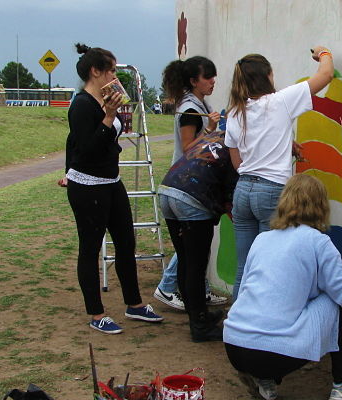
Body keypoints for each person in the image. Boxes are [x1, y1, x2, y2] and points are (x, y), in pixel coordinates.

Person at [223, 174, 342, 400]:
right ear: (321, 206)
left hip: (235, 347)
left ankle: (264, 380)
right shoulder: (318, 242)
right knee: (337, 298)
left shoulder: (262, 239)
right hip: (274, 354)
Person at [59, 43, 163, 334]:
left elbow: (99, 142)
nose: (115, 75)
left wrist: (116, 117)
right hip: (88, 185)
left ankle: (135, 304)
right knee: (90, 248)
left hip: (111, 182)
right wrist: (107, 117)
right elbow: (85, 149)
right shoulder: (82, 105)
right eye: (112, 70)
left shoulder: (107, 101)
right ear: (96, 71)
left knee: (126, 242)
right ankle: (97, 313)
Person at [225, 47, 334, 300]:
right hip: (271, 192)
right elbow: (326, 75)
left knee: (245, 266)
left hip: (243, 191)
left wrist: (279, 151)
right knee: (267, 267)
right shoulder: (281, 100)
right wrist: (323, 52)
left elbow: (237, 161)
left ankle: (237, 327)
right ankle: (260, 332)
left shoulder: (235, 112)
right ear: (268, 76)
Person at [153, 56, 227, 310]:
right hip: (187, 185)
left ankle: (200, 293)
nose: (213, 81)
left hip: (183, 184)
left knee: (193, 251)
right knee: (191, 252)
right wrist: (210, 129)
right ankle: (169, 287)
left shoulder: (194, 104)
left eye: (213, 76)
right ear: (194, 81)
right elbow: (188, 148)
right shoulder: (192, 109)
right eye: (208, 77)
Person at [159, 129, 239, 342]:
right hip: (192, 197)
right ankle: (200, 326)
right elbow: (232, 188)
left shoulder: (218, 134)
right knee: (196, 264)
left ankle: (197, 314)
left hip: (168, 190)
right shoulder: (237, 143)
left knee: (186, 259)